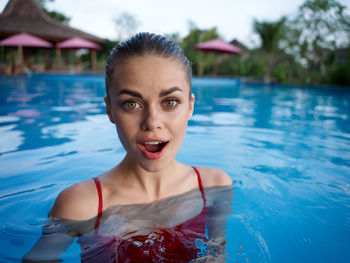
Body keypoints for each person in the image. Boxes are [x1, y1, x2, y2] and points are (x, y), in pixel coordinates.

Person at [24, 32, 233, 263]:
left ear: (190, 107)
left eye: (170, 102)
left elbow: (218, 251)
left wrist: (217, 257)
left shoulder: (214, 186)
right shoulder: (82, 204)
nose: (152, 121)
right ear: (110, 109)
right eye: (132, 104)